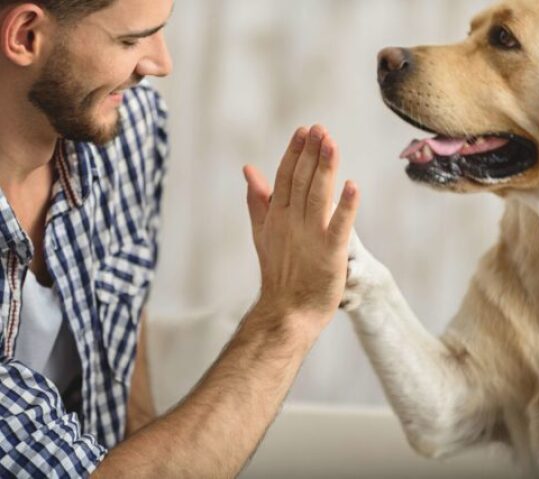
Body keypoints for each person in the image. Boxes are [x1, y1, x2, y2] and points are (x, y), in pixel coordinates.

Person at [0, 0, 359, 477]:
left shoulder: (127, 126)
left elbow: (122, 333)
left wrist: (143, 428)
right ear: (25, 36)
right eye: (129, 41)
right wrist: (289, 315)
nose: (160, 64)